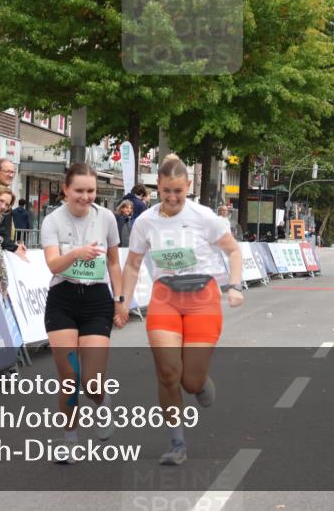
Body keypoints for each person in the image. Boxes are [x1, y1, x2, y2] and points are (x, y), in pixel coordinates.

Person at [117, 154, 244, 466]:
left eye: (178, 191)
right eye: (166, 191)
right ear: (157, 187)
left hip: (202, 299)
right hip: (165, 298)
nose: (172, 198)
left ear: (189, 186)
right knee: (167, 372)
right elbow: (133, 265)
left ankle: (199, 384)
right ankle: (177, 442)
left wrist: (235, 286)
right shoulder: (145, 221)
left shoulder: (205, 217)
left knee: (189, 380)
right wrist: (122, 302)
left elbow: (233, 250)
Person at [40, 163, 125, 460]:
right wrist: (76, 252)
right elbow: (53, 265)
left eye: (91, 191)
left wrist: (121, 299)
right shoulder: (52, 221)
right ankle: (70, 439)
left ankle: (102, 403)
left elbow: (114, 263)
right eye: (79, 191)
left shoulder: (107, 218)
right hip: (62, 298)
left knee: (91, 381)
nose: (86, 197)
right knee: (69, 376)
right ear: (65, 189)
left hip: (97, 300)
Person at [0, 158, 28, 259]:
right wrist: (13, 247)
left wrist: (13, 245)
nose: (11, 175)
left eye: (13, 172)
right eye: (7, 171)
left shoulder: (3, 190)